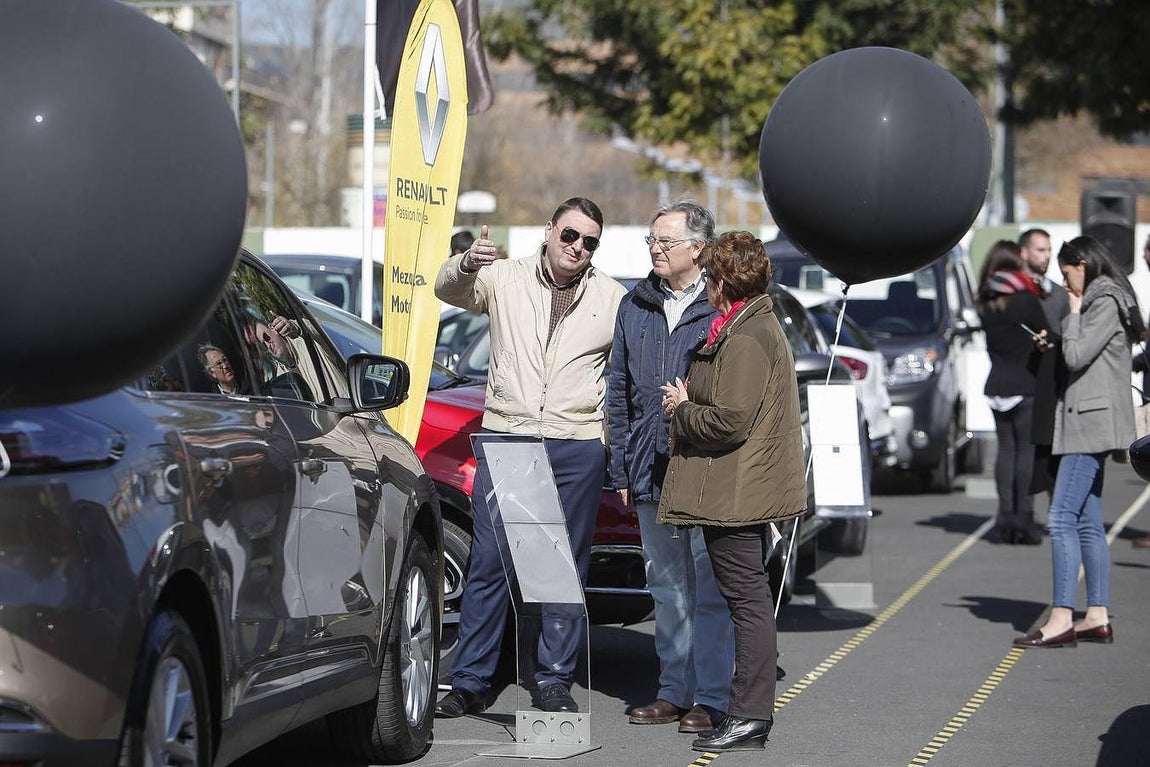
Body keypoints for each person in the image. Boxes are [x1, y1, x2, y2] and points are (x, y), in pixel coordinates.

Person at [433, 198, 627, 716]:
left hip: (575, 444)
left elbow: (625, 376)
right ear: (548, 230)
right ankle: (470, 681)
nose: (577, 248)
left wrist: (607, 443)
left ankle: (554, 679)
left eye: (589, 242)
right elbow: (445, 289)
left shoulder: (612, 297)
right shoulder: (503, 277)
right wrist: (467, 261)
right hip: (509, 436)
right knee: (490, 562)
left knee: (560, 568)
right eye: (569, 235)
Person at [658, 231, 806, 752]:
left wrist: (682, 407)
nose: (706, 287)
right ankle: (748, 714)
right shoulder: (753, 324)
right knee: (749, 599)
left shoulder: (746, 334)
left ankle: (748, 716)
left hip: (740, 489)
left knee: (747, 601)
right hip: (742, 485)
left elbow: (731, 419)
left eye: (710, 278)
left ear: (721, 282)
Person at [607, 200, 733, 734]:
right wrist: (621, 468)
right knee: (666, 585)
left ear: (697, 248)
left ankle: (712, 695)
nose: (656, 249)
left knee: (709, 583)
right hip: (649, 467)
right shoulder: (635, 302)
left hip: (705, 467)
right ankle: (673, 691)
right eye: (651, 240)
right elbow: (618, 391)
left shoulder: (724, 302)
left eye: (666, 241)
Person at [1013, 235, 1144, 648]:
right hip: (1091, 421)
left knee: (1060, 518)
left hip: (1090, 424)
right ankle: (1098, 615)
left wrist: (1071, 316)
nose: (1066, 282)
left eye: (1067, 273)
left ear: (1082, 265)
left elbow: (1076, 356)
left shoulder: (1103, 300)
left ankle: (1062, 617)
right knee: (1088, 521)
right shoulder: (1111, 298)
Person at [976, 241, 1051, 545]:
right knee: (1026, 455)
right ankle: (1024, 519)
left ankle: (1005, 518)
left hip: (996, 384)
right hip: (1024, 385)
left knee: (1005, 453)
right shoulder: (1025, 300)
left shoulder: (986, 302)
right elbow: (1045, 334)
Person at [1020, 228, 1070, 499]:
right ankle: (1017, 517)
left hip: (1051, 380)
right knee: (1022, 453)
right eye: (1041, 250)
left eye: (1049, 250)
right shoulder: (1011, 291)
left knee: (1050, 457)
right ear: (1024, 252)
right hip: (1022, 378)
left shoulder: (1058, 294)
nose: (1046, 256)